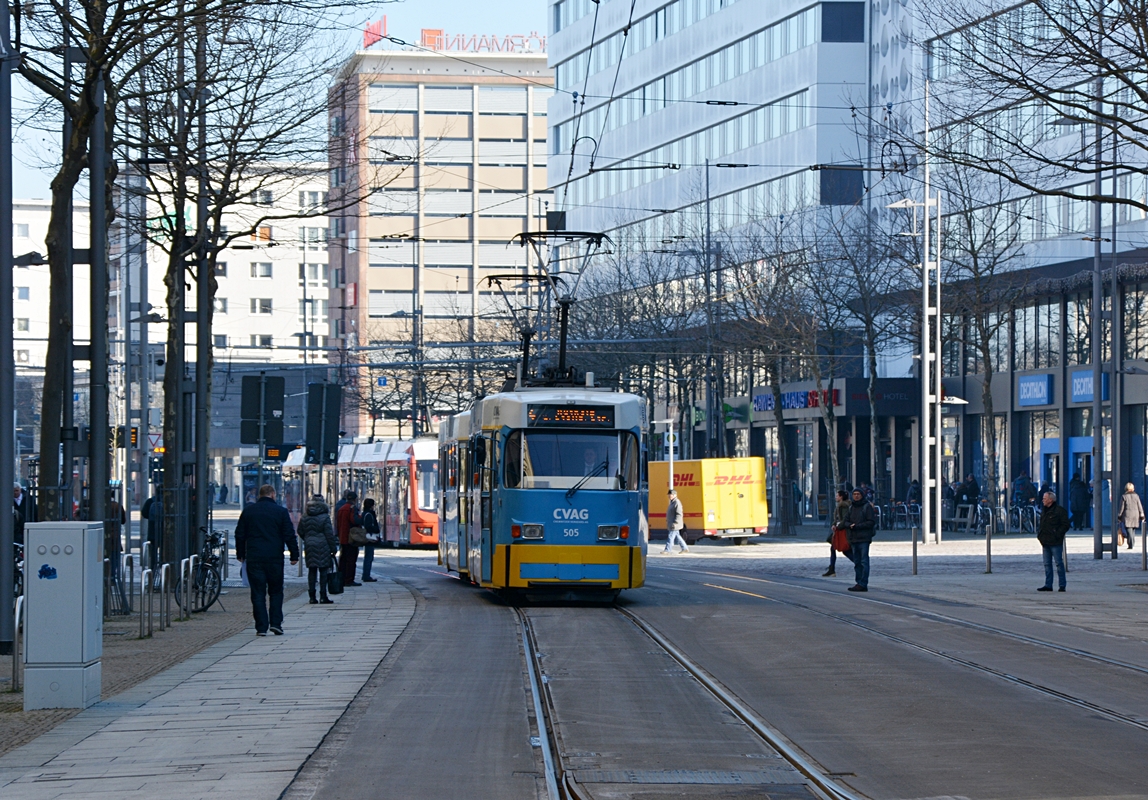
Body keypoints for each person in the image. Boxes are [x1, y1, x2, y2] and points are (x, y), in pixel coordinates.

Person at [235, 484, 300, 635]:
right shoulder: (281, 512)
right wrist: (294, 554)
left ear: (260, 495)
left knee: (258, 593)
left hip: (254, 557)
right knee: (276, 591)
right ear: (272, 494)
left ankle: (261, 627)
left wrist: (240, 554)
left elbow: (240, 534)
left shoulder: (248, 511)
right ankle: (276, 623)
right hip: (274, 558)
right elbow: (289, 534)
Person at [296, 494, 338, 604]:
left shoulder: (305, 516)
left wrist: (308, 538)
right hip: (323, 545)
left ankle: (312, 597)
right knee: (324, 570)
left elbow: (300, 530)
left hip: (310, 545)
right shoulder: (325, 517)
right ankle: (323, 596)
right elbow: (329, 534)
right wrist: (333, 548)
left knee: (312, 570)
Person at [1036, 490, 1069, 592]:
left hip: (1055, 541)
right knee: (1047, 564)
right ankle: (1048, 584)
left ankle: (1062, 585)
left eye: (1045, 499)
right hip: (1045, 541)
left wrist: (1057, 534)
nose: (1043, 500)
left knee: (1059, 563)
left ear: (1050, 500)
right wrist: (1040, 535)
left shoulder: (1059, 511)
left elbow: (1065, 525)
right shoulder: (1044, 511)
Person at [844, 488, 876, 592]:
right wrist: (850, 525)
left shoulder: (867, 507)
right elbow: (846, 521)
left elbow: (871, 522)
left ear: (862, 495)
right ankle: (859, 582)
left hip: (864, 538)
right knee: (857, 562)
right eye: (854, 494)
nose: (856, 496)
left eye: (858, 494)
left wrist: (857, 526)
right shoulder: (851, 507)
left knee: (864, 561)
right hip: (854, 538)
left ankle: (863, 583)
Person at [336, 491, 362, 587]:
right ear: (355, 500)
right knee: (351, 560)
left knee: (343, 559)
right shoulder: (352, 509)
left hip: (342, 537)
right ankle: (349, 579)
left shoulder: (341, 508)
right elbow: (354, 520)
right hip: (351, 538)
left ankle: (341, 578)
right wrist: (361, 519)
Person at [823, 490, 851, 578]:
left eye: (837, 496)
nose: (836, 497)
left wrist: (838, 526)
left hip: (842, 530)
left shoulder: (843, 506)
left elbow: (843, 519)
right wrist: (834, 524)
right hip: (839, 529)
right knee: (834, 548)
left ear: (841, 497)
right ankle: (832, 569)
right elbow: (837, 518)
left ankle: (858, 563)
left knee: (845, 549)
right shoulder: (840, 506)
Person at [1118, 482, 1144, 550]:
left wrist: (1119, 516)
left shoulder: (1124, 496)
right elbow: (1139, 506)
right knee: (1133, 530)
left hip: (1127, 515)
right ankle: (1132, 541)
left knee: (1129, 529)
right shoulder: (1136, 496)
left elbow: (1122, 507)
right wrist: (1142, 515)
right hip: (1135, 515)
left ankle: (1130, 544)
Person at [361, 497, 381, 582]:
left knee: (368, 557)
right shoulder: (369, 514)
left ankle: (366, 575)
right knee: (369, 557)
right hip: (369, 538)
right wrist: (376, 529)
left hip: (367, 537)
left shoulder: (364, 513)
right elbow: (368, 526)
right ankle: (366, 575)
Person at [663, 489, 689, 554]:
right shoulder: (672, 502)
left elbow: (679, 514)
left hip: (674, 524)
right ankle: (684, 548)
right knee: (678, 536)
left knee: (671, 536)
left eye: (670, 495)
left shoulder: (677, 502)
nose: (669, 496)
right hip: (672, 523)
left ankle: (667, 550)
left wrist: (676, 522)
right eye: (669, 495)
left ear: (675, 495)